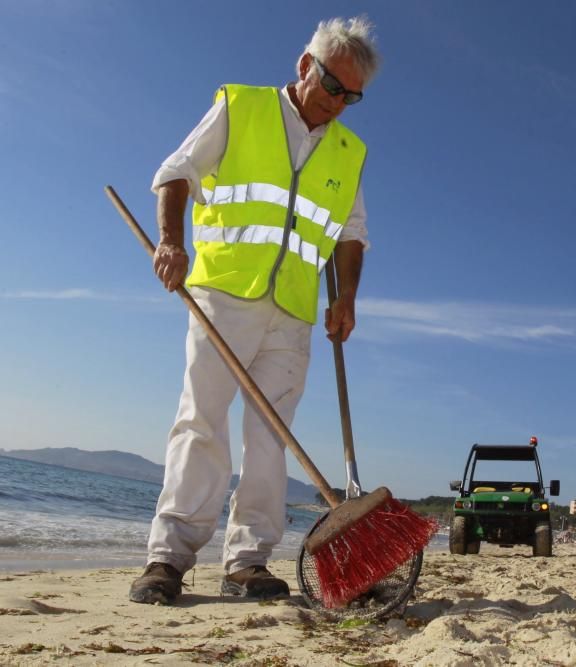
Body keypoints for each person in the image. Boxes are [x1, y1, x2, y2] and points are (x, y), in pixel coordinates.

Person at [129, 17, 380, 606]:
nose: (338, 102)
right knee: (201, 421)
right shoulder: (242, 107)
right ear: (303, 66)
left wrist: (345, 297)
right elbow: (177, 173)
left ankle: (247, 562)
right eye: (331, 86)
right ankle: (168, 557)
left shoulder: (350, 151)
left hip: (292, 313)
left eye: (352, 96)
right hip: (224, 293)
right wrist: (171, 241)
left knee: (271, 437)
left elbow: (350, 234)